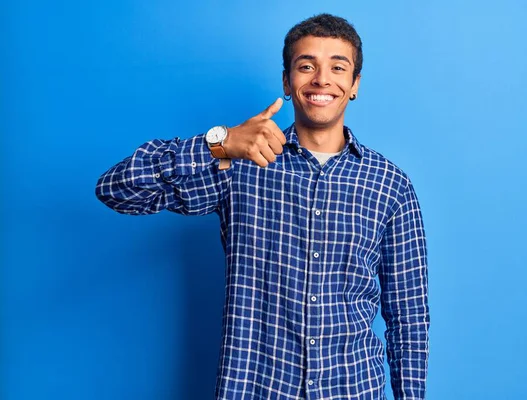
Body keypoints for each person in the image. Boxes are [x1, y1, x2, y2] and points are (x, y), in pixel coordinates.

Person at [96, 13, 429, 400]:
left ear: (354, 85)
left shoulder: (391, 186)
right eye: (307, 66)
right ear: (287, 82)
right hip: (257, 389)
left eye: (338, 67)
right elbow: (116, 189)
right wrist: (217, 144)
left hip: (353, 389)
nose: (322, 79)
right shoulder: (238, 166)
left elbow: (409, 321)